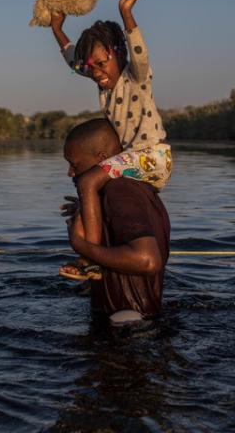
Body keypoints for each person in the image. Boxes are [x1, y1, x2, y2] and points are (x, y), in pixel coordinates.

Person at [49, 0, 172, 281]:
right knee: (84, 197)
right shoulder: (102, 85)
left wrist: (126, 14)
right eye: (91, 68)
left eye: (102, 64)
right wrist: (57, 28)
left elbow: (139, 53)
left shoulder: (135, 77)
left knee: (87, 180)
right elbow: (74, 61)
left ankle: (89, 258)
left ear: (117, 53)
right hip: (131, 161)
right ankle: (89, 258)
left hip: (152, 157)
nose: (96, 73)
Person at [61, 119, 170, 324]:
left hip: (127, 329)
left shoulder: (120, 192)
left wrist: (80, 245)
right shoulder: (130, 191)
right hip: (135, 322)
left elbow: (147, 260)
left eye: (74, 164)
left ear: (103, 159)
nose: (70, 173)